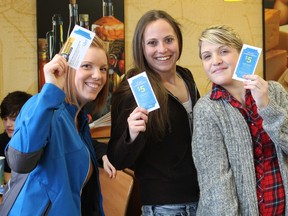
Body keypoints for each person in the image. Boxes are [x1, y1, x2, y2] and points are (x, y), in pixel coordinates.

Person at [0, 35, 112, 215]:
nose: (98, 75)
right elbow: (19, 161)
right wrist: (50, 90)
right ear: (66, 68)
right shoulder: (42, 105)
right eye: (86, 66)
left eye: (103, 68)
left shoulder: (79, 119)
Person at [107, 10, 200, 215]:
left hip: (202, 198)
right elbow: (117, 158)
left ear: (179, 41)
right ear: (141, 46)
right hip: (165, 206)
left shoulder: (186, 76)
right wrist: (131, 135)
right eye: (152, 43)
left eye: (168, 40)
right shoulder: (133, 88)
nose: (162, 49)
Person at [192, 24, 288, 215]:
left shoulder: (274, 91)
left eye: (224, 51)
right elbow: (216, 185)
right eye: (207, 56)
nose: (216, 61)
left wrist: (266, 106)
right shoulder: (206, 109)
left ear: (242, 53)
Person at [0, 91, 32, 182]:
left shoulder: (34, 143)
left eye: (13, 120)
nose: (8, 124)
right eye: (5, 119)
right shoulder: (1, 140)